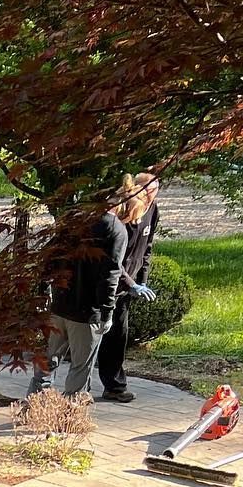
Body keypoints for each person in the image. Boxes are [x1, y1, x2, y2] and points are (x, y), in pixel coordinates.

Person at [28, 190, 128, 398]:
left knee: (49, 359)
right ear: (119, 205)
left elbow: (48, 257)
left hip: (60, 304)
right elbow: (110, 275)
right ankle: (69, 414)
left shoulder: (73, 223)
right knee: (81, 367)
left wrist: (43, 289)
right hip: (87, 312)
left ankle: (33, 404)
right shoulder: (115, 230)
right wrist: (107, 312)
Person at [96, 172, 160, 403]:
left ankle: (114, 385)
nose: (152, 195)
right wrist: (129, 283)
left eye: (156, 190)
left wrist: (142, 279)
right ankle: (78, 386)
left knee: (118, 335)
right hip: (113, 282)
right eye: (148, 190)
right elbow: (114, 261)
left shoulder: (152, 210)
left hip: (129, 282)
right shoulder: (122, 218)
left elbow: (147, 246)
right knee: (99, 333)